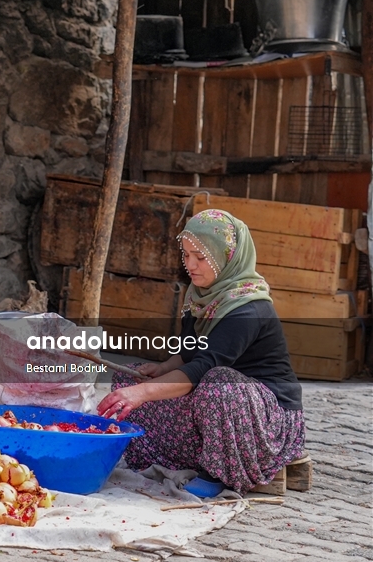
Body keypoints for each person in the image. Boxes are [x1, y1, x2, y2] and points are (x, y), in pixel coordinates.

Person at [97, 210, 306, 495]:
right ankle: (176, 459)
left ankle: (217, 473)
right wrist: (161, 370)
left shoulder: (248, 308)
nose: (190, 265)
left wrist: (143, 394)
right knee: (129, 380)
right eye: (186, 255)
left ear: (228, 257)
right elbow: (190, 352)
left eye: (201, 257)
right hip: (217, 403)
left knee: (216, 382)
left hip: (268, 419)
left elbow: (204, 367)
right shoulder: (199, 297)